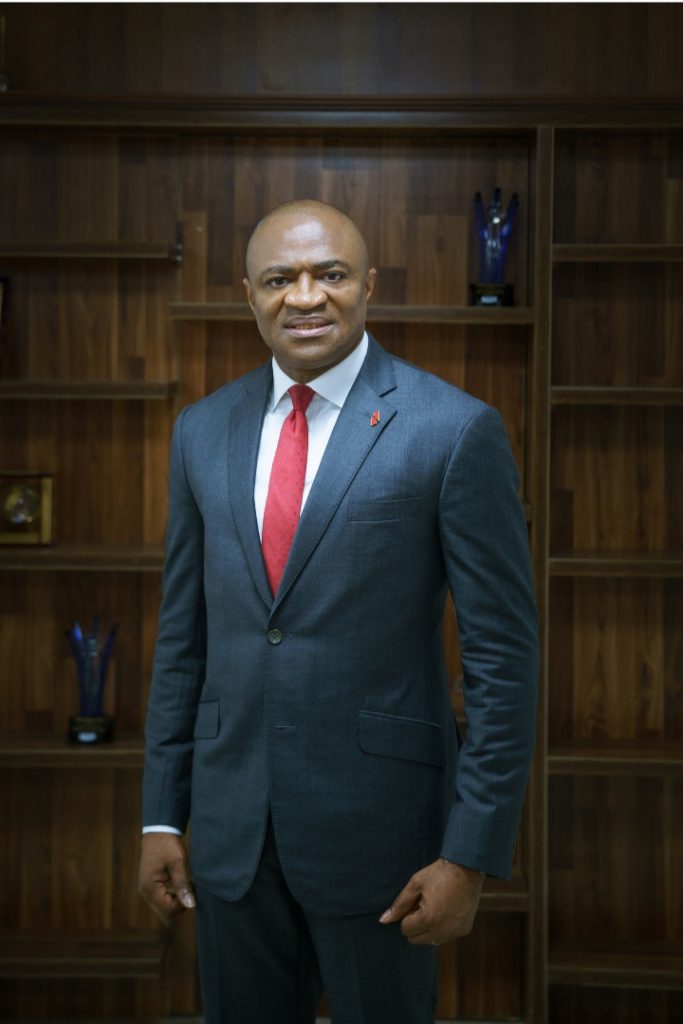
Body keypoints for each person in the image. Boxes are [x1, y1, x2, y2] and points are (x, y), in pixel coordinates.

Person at [138, 199, 538, 1024]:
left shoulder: (453, 429)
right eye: (278, 279)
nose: (304, 297)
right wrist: (159, 817)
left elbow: (503, 663)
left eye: (330, 274)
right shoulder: (200, 431)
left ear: (369, 286)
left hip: (386, 845)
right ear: (249, 295)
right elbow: (183, 641)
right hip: (231, 838)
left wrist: (470, 853)